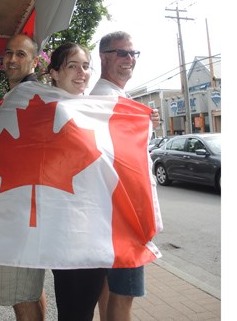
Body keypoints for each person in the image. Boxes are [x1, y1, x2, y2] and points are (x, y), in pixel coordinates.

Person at [90, 31, 160, 321]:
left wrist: (145, 121)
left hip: (112, 214)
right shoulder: (107, 101)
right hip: (124, 215)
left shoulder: (115, 98)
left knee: (109, 290)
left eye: (133, 54)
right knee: (124, 295)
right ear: (104, 57)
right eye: (122, 53)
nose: (130, 59)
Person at [0, 34, 47, 321]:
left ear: (35, 61)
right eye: (9, 53)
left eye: (21, 54)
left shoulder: (30, 96)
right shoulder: (19, 95)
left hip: (19, 212)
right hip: (23, 209)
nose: (12, 59)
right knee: (30, 290)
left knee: (19, 294)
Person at [46, 42, 107, 321]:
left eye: (85, 66)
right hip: (70, 229)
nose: (82, 72)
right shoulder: (50, 109)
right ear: (55, 73)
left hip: (92, 224)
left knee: (78, 308)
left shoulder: (88, 108)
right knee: (76, 309)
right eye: (73, 66)